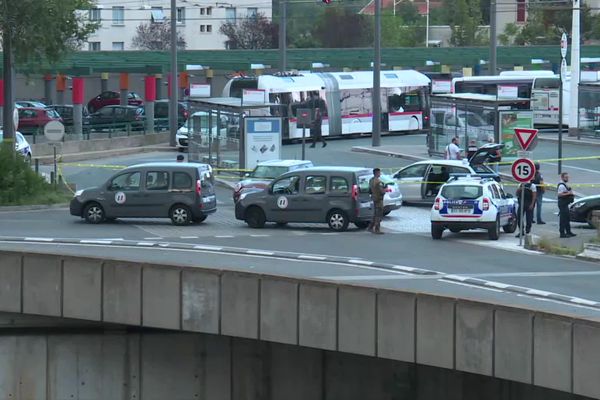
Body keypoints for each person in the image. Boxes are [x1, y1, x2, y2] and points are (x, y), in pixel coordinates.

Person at [368, 168, 386, 234]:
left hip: (374, 198)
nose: (380, 173)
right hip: (379, 199)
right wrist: (385, 189)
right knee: (379, 215)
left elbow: (369, 190)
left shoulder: (371, 180)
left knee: (375, 214)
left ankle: (370, 227)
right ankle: (377, 229)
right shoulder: (378, 182)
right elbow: (382, 191)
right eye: (379, 172)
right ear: (377, 173)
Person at [557, 172, 576, 238]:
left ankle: (568, 232)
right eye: (566, 177)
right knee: (563, 219)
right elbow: (559, 194)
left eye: (567, 177)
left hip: (565, 204)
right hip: (562, 204)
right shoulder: (561, 185)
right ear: (562, 177)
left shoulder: (564, 184)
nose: (567, 178)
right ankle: (562, 233)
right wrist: (568, 193)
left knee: (567, 218)